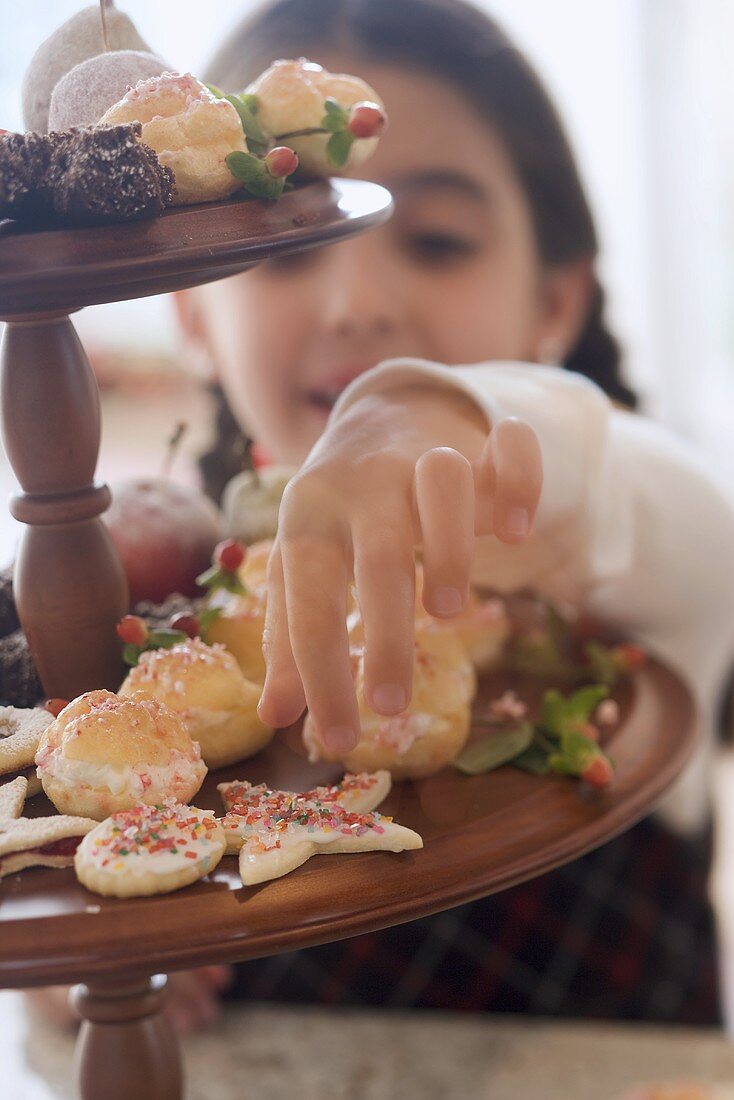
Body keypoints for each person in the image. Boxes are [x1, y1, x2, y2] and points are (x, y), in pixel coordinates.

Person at [31, 0, 734, 1032]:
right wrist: (68, 969)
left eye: (440, 241)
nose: (357, 302)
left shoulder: (597, 554)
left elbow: (692, 524)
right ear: (190, 308)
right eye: (285, 248)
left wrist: (433, 406)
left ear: (555, 301)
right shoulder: (149, 604)